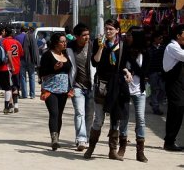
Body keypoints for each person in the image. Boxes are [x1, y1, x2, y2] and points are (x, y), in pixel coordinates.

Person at [84, 18, 130, 160]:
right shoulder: (99, 44)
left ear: (117, 30)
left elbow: (123, 64)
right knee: (98, 119)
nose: (108, 31)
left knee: (115, 119)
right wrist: (101, 47)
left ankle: (112, 150)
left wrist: (127, 72)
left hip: (117, 86)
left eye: (111, 29)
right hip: (101, 84)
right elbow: (95, 61)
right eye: (106, 28)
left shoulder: (122, 45)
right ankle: (91, 148)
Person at [38, 32, 74, 151]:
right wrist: (53, 68)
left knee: (59, 114)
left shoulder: (66, 54)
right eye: (62, 42)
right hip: (50, 89)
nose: (64, 44)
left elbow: (70, 70)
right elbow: (41, 72)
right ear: (55, 43)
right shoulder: (47, 55)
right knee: (54, 113)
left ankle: (57, 136)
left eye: (65, 41)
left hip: (64, 90)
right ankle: (54, 139)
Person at [118, 27, 149, 162]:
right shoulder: (123, 50)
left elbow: (145, 71)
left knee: (140, 119)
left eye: (130, 35)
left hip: (139, 90)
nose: (127, 37)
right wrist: (126, 71)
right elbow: (119, 68)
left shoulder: (146, 53)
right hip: (125, 89)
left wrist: (132, 70)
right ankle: (122, 147)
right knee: (124, 118)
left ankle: (140, 151)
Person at [67, 23, 95, 151]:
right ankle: (81, 139)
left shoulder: (93, 46)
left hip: (92, 86)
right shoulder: (69, 48)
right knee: (79, 113)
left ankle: (87, 137)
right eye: (84, 35)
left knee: (89, 115)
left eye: (88, 34)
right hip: (77, 86)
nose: (87, 37)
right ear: (76, 36)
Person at [162, 24, 184, 151]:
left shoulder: (178, 47)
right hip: (174, 84)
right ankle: (169, 142)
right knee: (175, 111)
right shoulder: (172, 47)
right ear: (178, 35)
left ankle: (171, 140)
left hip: (180, 84)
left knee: (178, 112)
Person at [15, 26, 39, 99]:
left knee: (22, 77)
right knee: (31, 76)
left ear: (20, 30)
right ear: (27, 30)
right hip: (30, 59)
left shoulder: (17, 37)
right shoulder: (31, 37)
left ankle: (24, 94)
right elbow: (35, 49)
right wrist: (36, 61)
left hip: (21, 60)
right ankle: (32, 94)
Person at [4, 26, 23, 113]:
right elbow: (21, 53)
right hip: (17, 66)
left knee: (9, 87)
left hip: (8, 67)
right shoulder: (17, 42)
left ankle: (10, 105)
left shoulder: (5, 42)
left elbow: (8, 54)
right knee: (15, 86)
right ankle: (16, 105)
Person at [147, 30, 166, 115]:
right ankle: (156, 107)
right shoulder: (149, 49)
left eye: (162, 38)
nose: (161, 39)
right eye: (159, 38)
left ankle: (154, 102)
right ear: (155, 39)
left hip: (162, 72)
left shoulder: (164, 48)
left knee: (163, 89)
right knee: (154, 90)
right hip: (152, 72)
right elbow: (147, 62)